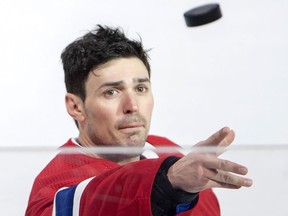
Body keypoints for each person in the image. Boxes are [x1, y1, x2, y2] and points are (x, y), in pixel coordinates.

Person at [25, 25, 253, 216]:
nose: (132, 106)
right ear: (76, 107)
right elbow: (87, 204)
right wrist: (167, 183)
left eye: (141, 88)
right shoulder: (55, 186)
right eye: (111, 92)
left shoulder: (169, 153)